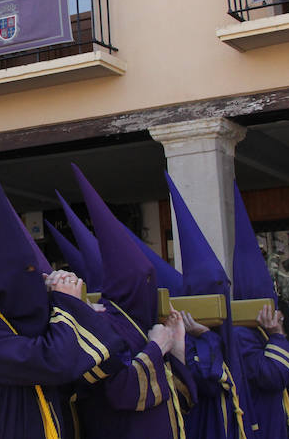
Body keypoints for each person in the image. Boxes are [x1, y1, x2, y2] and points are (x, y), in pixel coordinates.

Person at [0, 115, 125, 439]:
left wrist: (79, 311)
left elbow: (92, 368)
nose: (37, 281)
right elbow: (51, 362)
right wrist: (69, 306)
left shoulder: (12, 322)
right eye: (29, 274)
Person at [70, 165, 196, 439]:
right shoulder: (102, 325)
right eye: (144, 281)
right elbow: (122, 392)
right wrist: (156, 347)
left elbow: (181, 398)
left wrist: (177, 348)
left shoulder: (144, 324)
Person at [167, 174, 256, 439]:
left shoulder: (237, 331)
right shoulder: (188, 336)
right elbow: (208, 382)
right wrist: (204, 337)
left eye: (223, 285)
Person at [231, 184, 289, 439]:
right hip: (259, 422)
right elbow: (272, 377)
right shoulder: (240, 334)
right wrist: (276, 334)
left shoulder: (255, 331)